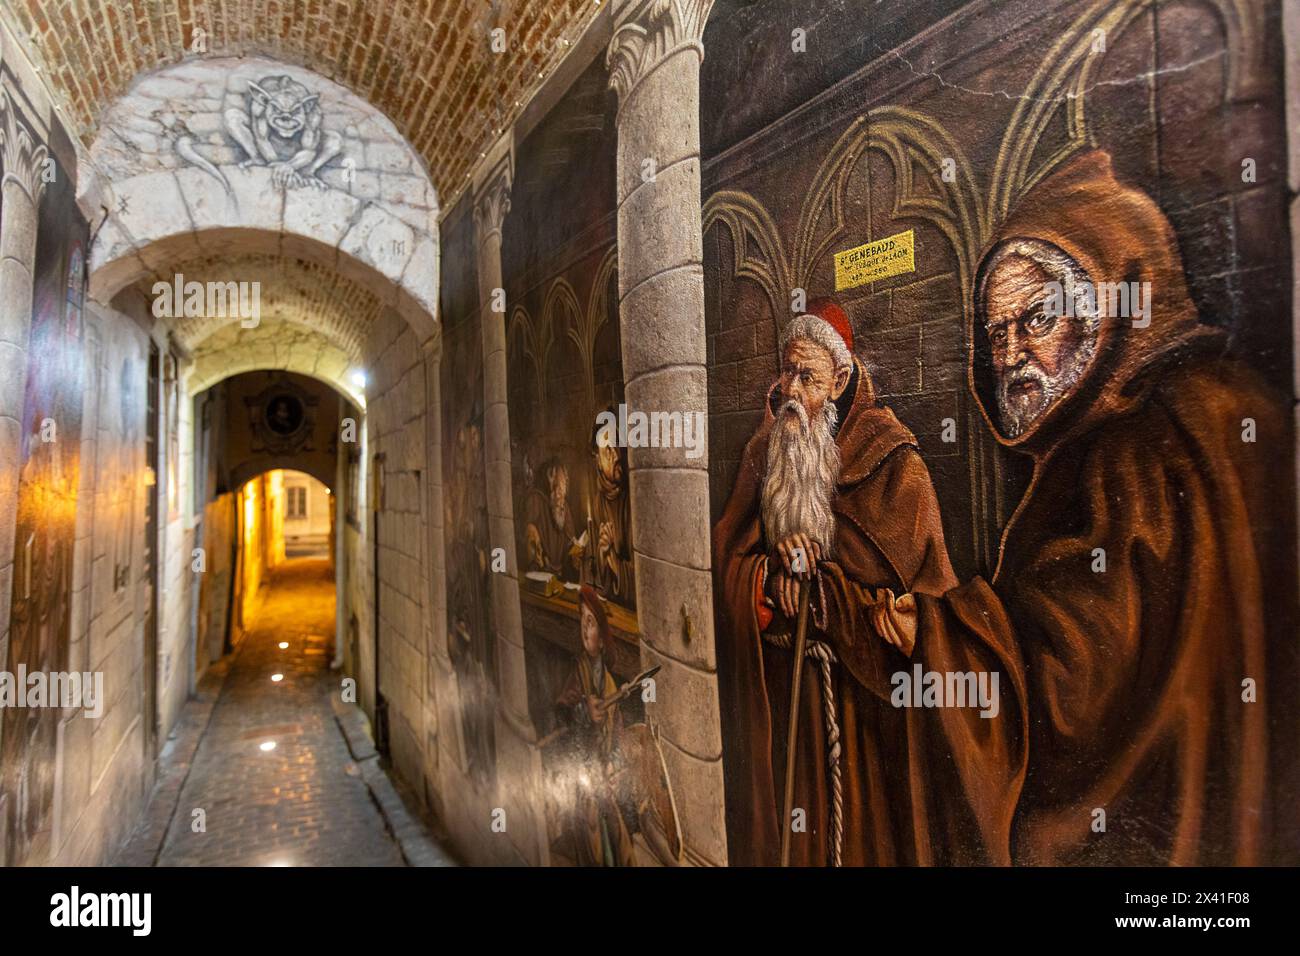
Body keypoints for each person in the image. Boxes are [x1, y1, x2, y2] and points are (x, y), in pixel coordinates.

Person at [848, 150, 1298, 865]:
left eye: (1036, 320)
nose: (1012, 355)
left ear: (1108, 306)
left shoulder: (1137, 444)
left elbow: (1078, 680)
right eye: (997, 335)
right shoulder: (1222, 408)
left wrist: (938, 633)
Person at [713, 298, 956, 865]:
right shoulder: (764, 453)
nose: (792, 392)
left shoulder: (895, 465)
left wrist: (828, 599)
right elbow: (727, 562)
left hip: (858, 717)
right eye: (788, 371)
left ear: (841, 379)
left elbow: (927, 617)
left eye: (808, 377)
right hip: (784, 706)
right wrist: (769, 583)